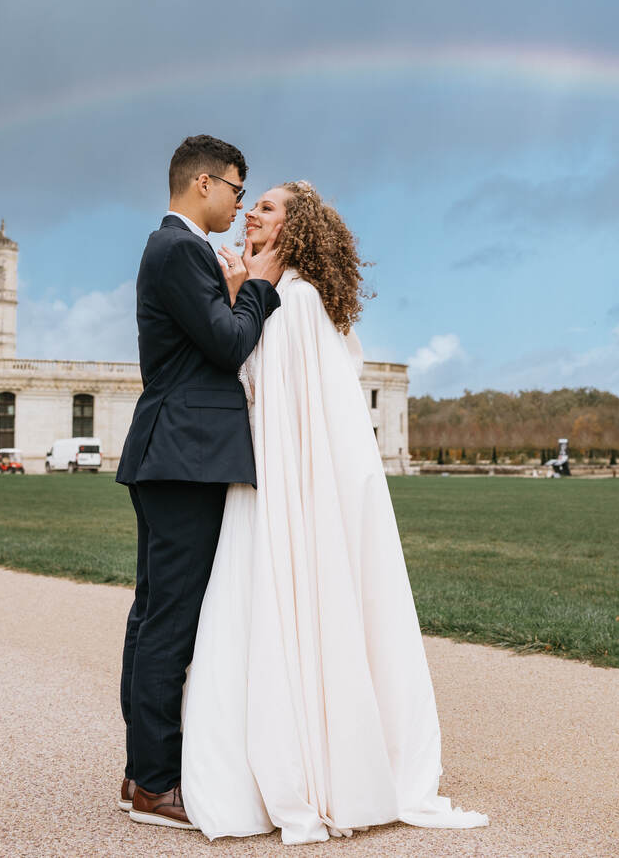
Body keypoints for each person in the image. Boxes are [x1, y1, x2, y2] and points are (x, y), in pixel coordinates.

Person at [180, 181, 487, 843]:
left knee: (269, 612)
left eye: (265, 207)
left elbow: (261, 395)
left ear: (292, 230)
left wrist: (240, 297)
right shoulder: (296, 300)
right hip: (280, 485)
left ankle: (304, 769)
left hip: (280, 489)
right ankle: (324, 758)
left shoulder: (291, 301)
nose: (250, 214)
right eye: (251, 203)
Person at [116, 135, 286, 830]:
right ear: (206, 184)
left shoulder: (170, 249)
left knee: (151, 612)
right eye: (239, 190)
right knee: (170, 621)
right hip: (185, 455)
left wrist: (236, 288)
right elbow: (225, 343)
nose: (240, 203)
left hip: (168, 451)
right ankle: (157, 783)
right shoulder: (181, 248)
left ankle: (140, 768)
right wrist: (262, 291)